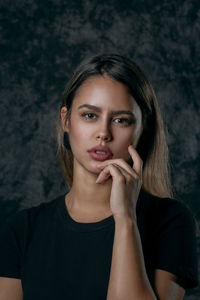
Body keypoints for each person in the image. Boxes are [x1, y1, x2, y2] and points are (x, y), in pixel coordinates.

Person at [0, 54, 198, 299]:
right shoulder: (21, 230)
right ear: (66, 120)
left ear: (141, 130)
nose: (103, 133)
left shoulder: (170, 221)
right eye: (90, 115)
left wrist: (125, 218)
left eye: (120, 120)